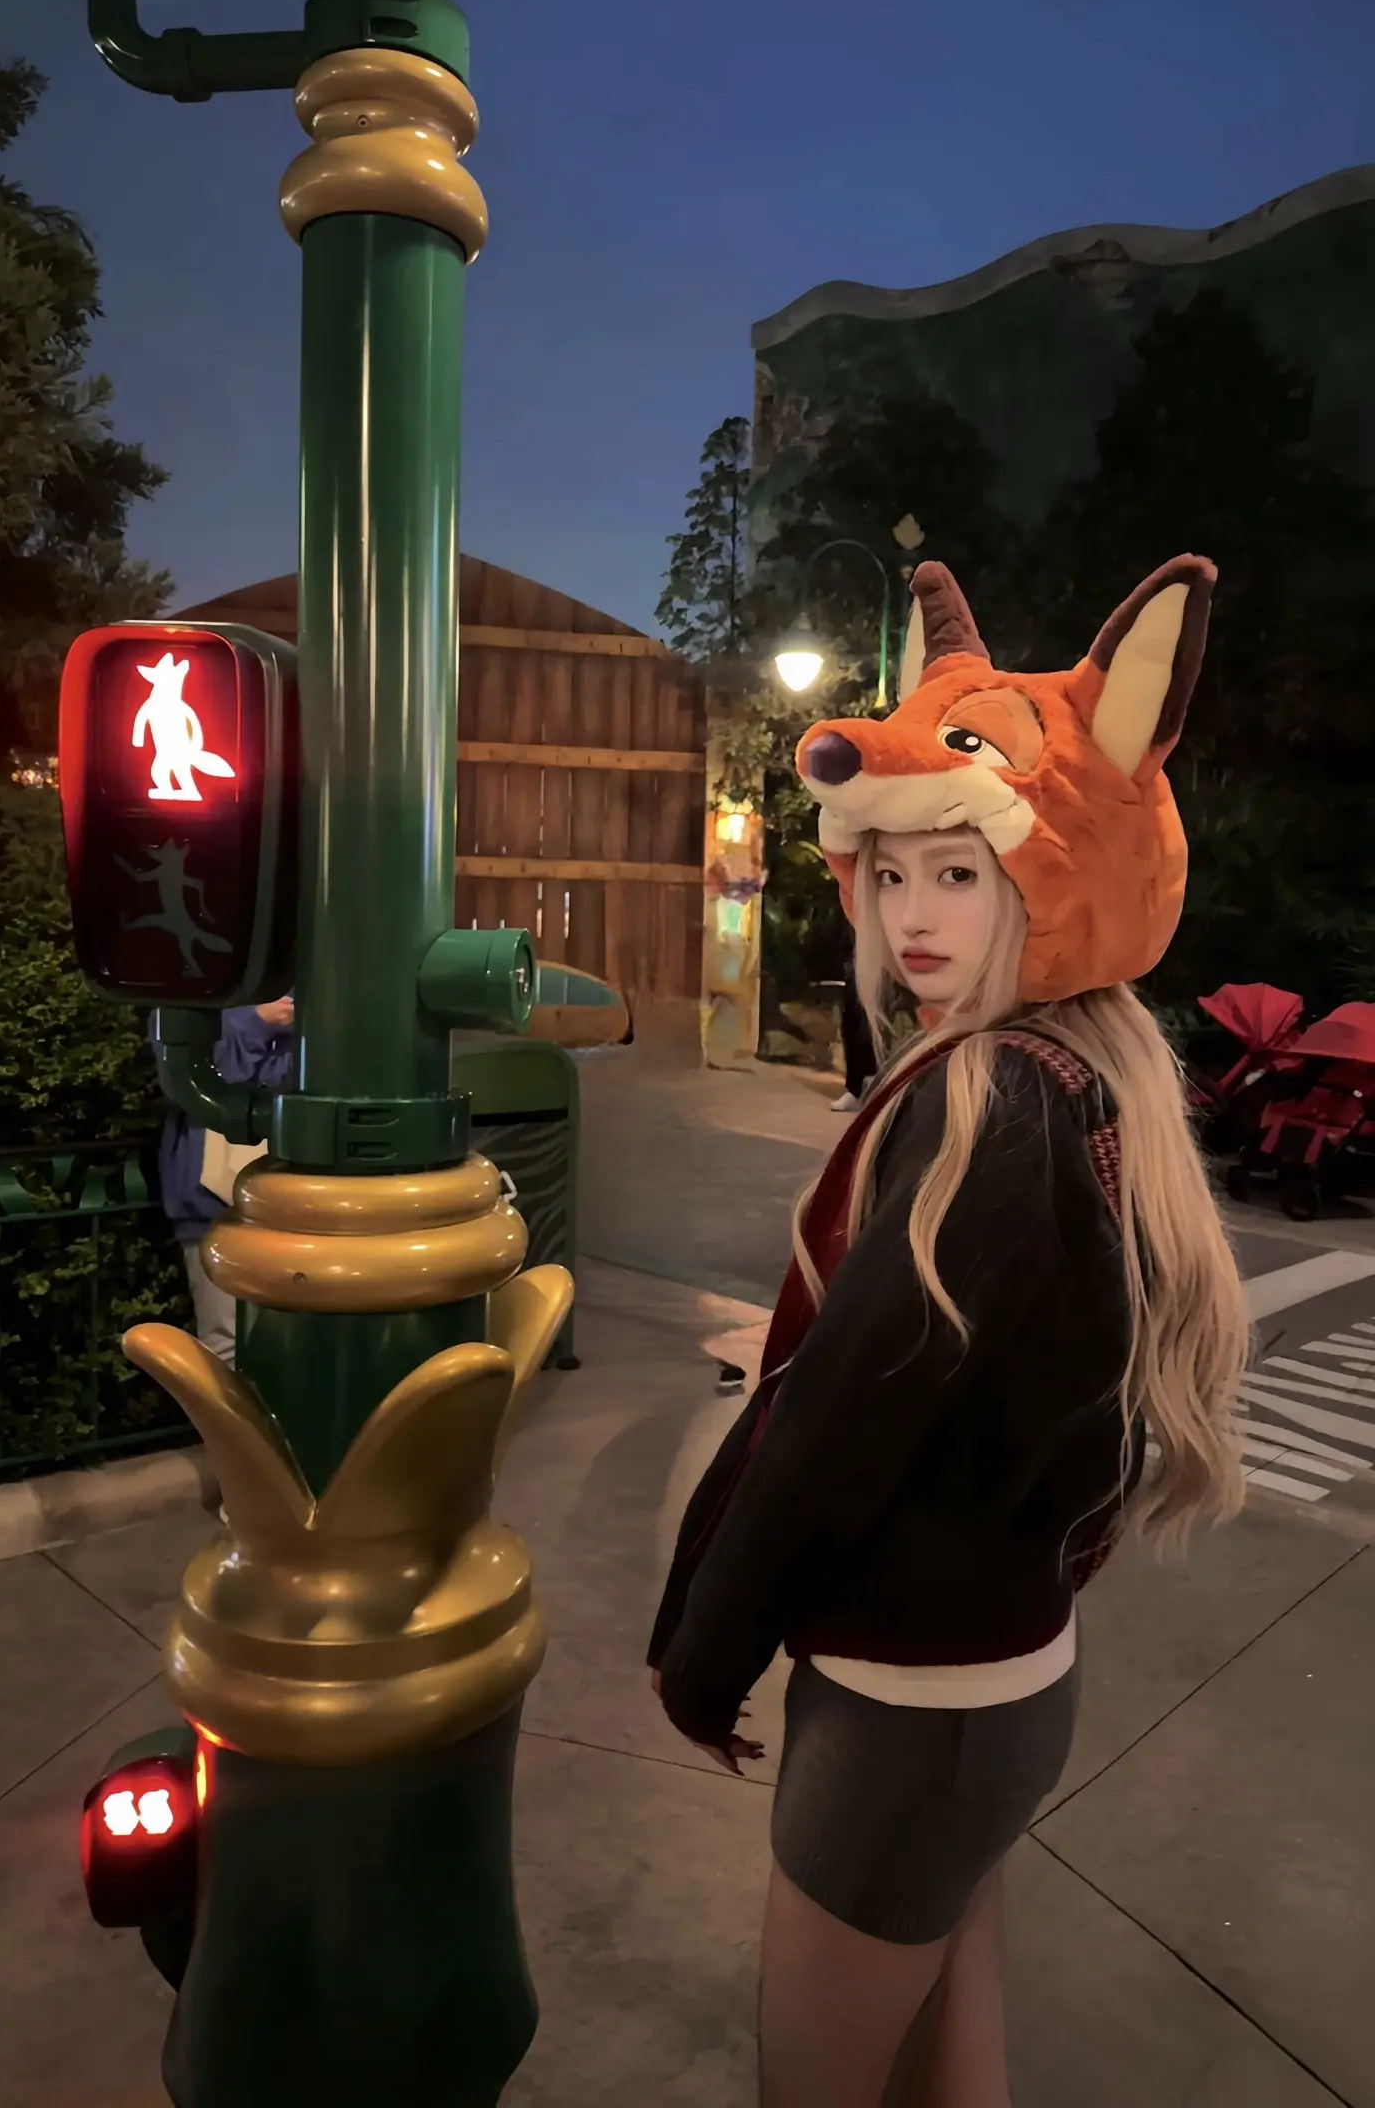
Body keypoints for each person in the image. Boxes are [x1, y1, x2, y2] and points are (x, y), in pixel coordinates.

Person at [647, 556, 1249, 2108]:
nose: (913, 918)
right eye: (894, 872)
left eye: (961, 874)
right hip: (1000, 1677)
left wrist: (702, 1655)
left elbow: (836, 1433)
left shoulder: (989, 1107)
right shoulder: (1094, 1075)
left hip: (907, 1713)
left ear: (1046, 880)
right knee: (946, 2048)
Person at [151, 999, 295, 1367]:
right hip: (213, 1209)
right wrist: (258, 1022)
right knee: (226, 1347)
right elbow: (187, 1081)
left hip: (299, 1209)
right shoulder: (193, 992)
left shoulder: (319, 989)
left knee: (296, 1347)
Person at [831, 934, 878, 1111]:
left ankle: (870, 1084)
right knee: (850, 1027)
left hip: (880, 973)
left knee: (867, 1031)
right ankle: (854, 1090)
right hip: (856, 973)